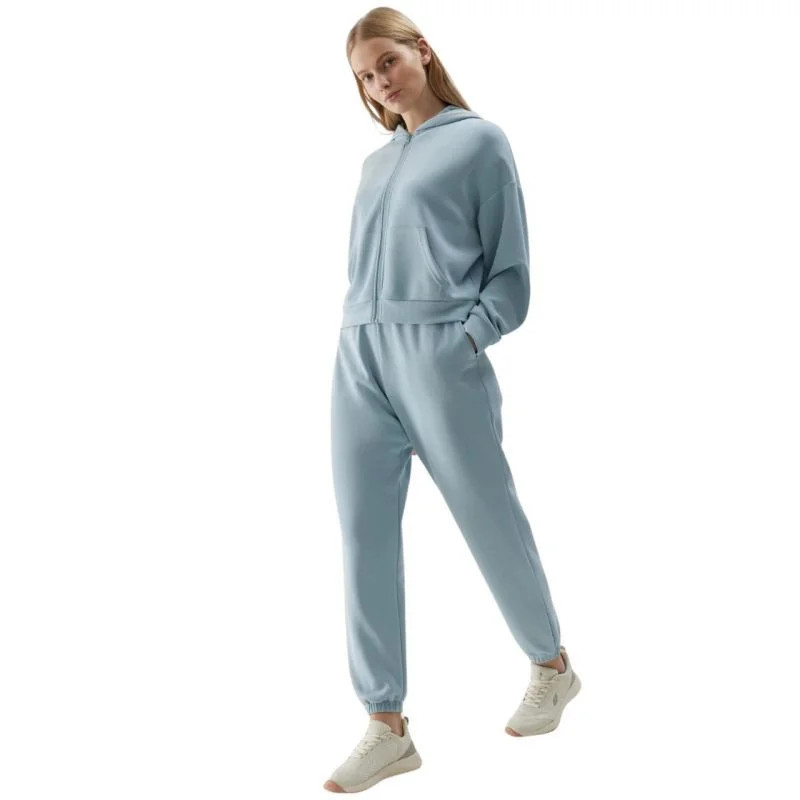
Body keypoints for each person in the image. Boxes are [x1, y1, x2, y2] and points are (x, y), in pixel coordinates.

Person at [324, 8, 581, 793]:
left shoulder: (479, 142)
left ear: (422, 52)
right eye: (365, 76)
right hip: (359, 354)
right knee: (364, 534)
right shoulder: (375, 164)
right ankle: (385, 724)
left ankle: (551, 666)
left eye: (387, 62)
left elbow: (511, 271)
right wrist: (361, 337)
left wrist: (466, 338)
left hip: (438, 351)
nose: (379, 82)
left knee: (486, 513)